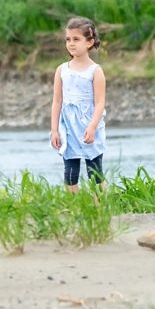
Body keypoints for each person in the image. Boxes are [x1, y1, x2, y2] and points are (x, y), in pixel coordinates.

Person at [50, 17, 107, 193]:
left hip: (89, 127)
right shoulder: (62, 70)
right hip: (68, 128)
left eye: (76, 39)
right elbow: (57, 101)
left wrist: (92, 127)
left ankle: (102, 206)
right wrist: (54, 130)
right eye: (68, 39)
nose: (71, 44)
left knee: (94, 171)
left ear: (89, 42)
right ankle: (74, 209)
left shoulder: (95, 71)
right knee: (70, 171)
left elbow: (99, 102)